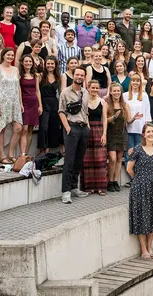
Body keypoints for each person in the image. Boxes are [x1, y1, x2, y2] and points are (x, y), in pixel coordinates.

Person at [127, 124, 153, 259]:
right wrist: (138, 180)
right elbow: (129, 168)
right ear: (143, 134)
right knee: (141, 218)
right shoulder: (137, 149)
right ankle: (143, 249)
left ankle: (149, 247)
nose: (151, 134)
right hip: (139, 187)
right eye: (148, 132)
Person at [58, 66, 90, 204]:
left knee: (78, 160)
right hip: (72, 127)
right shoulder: (65, 92)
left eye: (82, 75)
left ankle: (73, 187)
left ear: (84, 77)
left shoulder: (85, 92)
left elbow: (86, 111)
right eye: (77, 74)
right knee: (69, 160)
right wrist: (67, 128)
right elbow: (61, 111)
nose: (79, 77)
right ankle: (65, 191)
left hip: (84, 128)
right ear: (73, 75)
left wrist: (87, 126)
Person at [0, 48, 22, 164]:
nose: (10, 57)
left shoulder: (15, 70)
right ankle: (2, 155)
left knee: (18, 128)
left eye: (12, 55)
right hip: (2, 102)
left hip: (15, 102)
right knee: (2, 129)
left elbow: (18, 87)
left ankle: (11, 153)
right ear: (3, 55)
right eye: (8, 55)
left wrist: (21, 102)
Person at [80, 80, 108, 195]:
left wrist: (104, 134)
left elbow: (105, 118)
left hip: (99, 130)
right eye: (93, 88)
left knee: (100, 159)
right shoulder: (84, 101)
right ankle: (89, 187)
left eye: (97, 88)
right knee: (88, 159)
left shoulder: (102, 102)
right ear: (88, 88)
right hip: (87, 130)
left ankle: (101, 187)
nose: (95, 90)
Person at [106, 83, 130, 192]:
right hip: (111, 135)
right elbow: (104, 121)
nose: (116, 93)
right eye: (114, 91)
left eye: (118, 91)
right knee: (113, 159)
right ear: (111, 92)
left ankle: (115, 181)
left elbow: (128, 121)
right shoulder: (107, 104)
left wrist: (134, 118)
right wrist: (113, 117)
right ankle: (110, 181)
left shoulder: (125, 105)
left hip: (121, 135)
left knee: (120, 159)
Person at [18, 55, 42, 156]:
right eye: (26, 61)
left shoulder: (35, 75)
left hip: (34, 104)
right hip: (24, 103)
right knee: (24, 129)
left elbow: (37, 90)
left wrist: (40, 105)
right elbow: (18, 91)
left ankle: (26, 154)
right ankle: (22, 154)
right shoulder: (19, 75)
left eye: (30, 61)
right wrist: (20, 104)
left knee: (30, 130)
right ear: (22, 63)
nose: (28, 63)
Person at [38, 57, 62, 154]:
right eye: (48, 63)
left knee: (53, 126)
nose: (50, 65)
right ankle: (43, 148)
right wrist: (39, 105)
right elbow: (38, 91)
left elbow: (60, 92)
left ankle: (49, 148)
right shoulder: (40, 76)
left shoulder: (58, 77)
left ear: (55, 65)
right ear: (45, 64)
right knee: (44, 126)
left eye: (52, 64)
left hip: (54, 103)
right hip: (43, 102)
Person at [124, 74, 151, 151]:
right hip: (129, 128)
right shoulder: (125, 95)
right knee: (129, 153)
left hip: (140, 128)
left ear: (140, 83)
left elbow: (147, 112)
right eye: (133, 80)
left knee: (139, 152)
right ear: (130, 82)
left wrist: (146, 128)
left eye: (137, 81)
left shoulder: (144, 95)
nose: (135, 83)